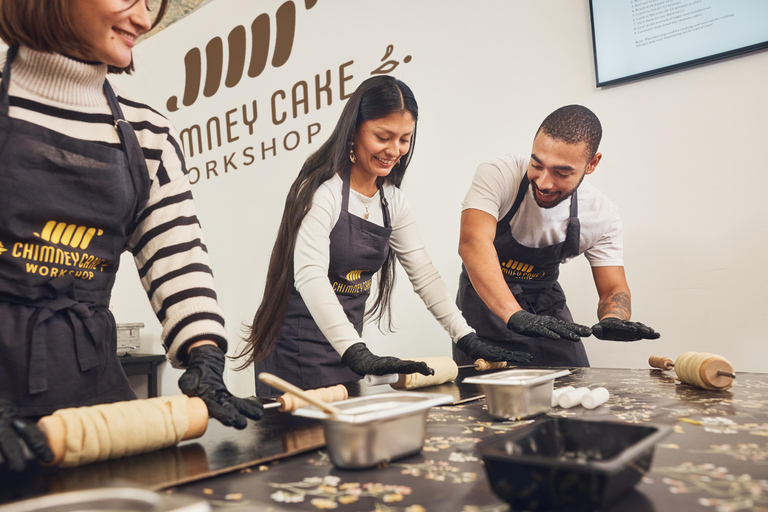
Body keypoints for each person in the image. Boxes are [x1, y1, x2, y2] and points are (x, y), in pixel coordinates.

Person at [0, 0, 262, 472]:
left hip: (93, 392)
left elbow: (177, 256)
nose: (143, 18)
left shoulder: (147, 134)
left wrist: (205, 355)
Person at [239, 75, 532, 397]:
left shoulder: (392, 201)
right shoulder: (324, 193)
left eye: (405, 139)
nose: (394, 150)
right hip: (296, 346)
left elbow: (424, 276)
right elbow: (309, 276)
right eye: (383, 137)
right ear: (354, 131)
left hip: (347, 348)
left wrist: (467, 338)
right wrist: (356, 351)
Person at [455, 105, 659, 368]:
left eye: (561, 173)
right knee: (482, 400)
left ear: (592, 164)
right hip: (486, 305)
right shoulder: (499, 174)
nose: (543, 182)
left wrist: (613, 318)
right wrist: (514, 314)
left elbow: (613, 288)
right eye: (536, 165)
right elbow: (473, 245)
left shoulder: (600, 214)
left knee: (572, 384)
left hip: (546, 305)